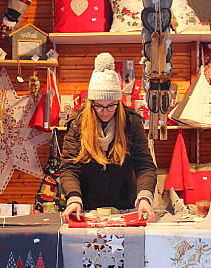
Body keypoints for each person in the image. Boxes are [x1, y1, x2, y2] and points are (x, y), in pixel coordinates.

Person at [60, 53, 157, 223]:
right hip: (85, 206)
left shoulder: (131, 122)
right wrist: (73, 198)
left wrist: (144, 197)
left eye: (111, 106)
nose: (105, 112)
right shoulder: (77, 124)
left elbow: (145, 165)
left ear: (118, 102)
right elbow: (69, 168)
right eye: (99, 106)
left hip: (125, 204)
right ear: (91, 103)